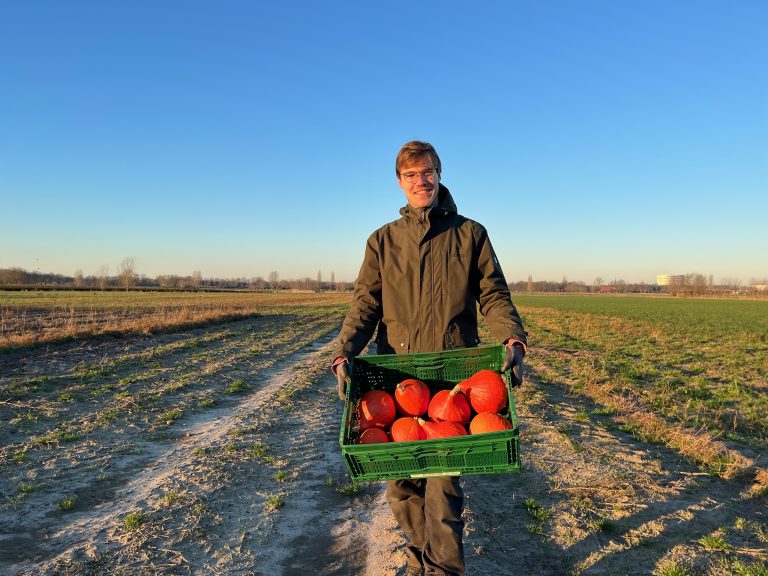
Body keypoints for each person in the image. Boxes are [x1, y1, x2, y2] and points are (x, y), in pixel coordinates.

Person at [332, 140, 527, 576]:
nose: (420, 181)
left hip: (450, 379)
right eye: (411, 175)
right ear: (399, 182)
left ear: (439, 174)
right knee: (401, 487)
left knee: (442, 486)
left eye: (427, 172)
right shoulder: (382, 241)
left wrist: (513, 339)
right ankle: (421, 558)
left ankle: (444, 570)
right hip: (398, 377)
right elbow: (365, 305)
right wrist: (343, 354)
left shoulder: (470, 234)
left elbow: (493, 295)